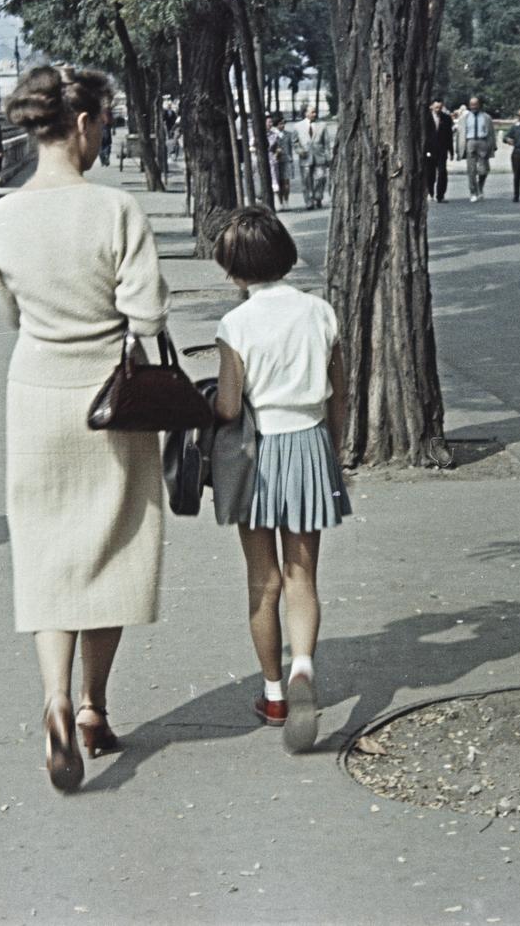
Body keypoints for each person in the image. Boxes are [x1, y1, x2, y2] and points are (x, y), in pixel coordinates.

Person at [0, 64, 171, 793]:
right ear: (87, 124)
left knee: (47, 552)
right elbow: (147, 315)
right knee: (110, 545)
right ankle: (95, 707)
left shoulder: (2, 216)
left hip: (34, 392)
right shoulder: (115, 209)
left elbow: (9, 314)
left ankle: (56, 699)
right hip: (111, 398)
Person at [212, 208, 350, 754]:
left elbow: (227, 405)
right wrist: (333, 452)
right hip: (311, 445)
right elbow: (339, 393)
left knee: (262, 581)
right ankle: (304, 670)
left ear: (235, 270)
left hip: (258, 455)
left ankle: (272, 694)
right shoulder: (320, 313)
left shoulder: (237, 325)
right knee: (302, 576)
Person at [295, 105, 334, 210]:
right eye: (312, 112)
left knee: (320, 178)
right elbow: (295, 143)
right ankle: (309, 202)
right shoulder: (298, 126)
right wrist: (299, 151)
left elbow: (326, 143)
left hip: (319, 157)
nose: (315, 114)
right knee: (306, 181)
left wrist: (328, 157)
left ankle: (318, 198)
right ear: (305, 113)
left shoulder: (322, 125)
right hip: (305, 158)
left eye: (315, 112)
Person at [458, 96, 495, 202]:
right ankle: (473, 192)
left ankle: (480, 186)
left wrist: (493, 146)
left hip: (482, 142)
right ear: (469, 105)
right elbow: (460, 134)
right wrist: (459, 149)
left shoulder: (486, 117)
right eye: (471, 104)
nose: (473, 106)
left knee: (484, 170)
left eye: (475, 104)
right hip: (470, 142)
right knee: (471, 170)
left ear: (479, 105)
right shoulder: (464, 118)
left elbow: (491, 133)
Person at [424, 98, 455, 203]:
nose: (438, 109)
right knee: (430, 172)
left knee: (442, 172)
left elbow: (449, 136)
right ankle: (430, 192)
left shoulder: (446, 118)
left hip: (442, 150)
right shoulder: (426, 118)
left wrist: (451, 151)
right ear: (432, 106)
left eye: (440, 107)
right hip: (429, 150)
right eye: (436, 107)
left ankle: (440, 195)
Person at [269, 112, 295, 209]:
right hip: (276, 161)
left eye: (284, 123)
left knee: (286, 182)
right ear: (276, 124)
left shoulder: (288, 134)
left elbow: (291, 146)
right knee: (278, 183)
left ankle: (286, 201)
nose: (282, 125)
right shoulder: (272, 134)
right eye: (280, 123)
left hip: (286, 160)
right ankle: (280, 202)